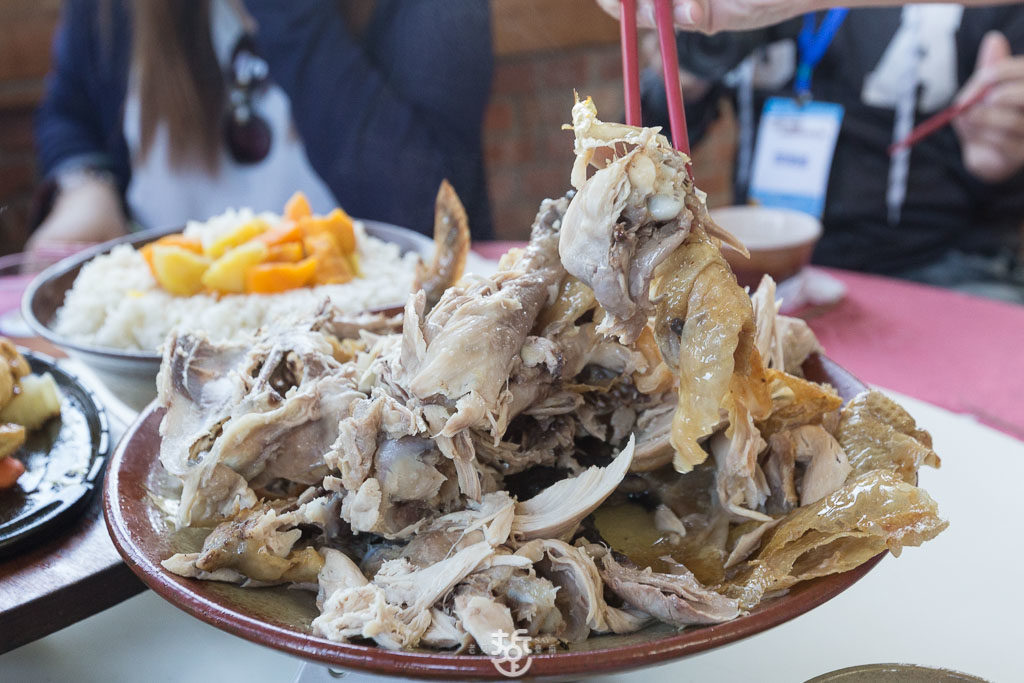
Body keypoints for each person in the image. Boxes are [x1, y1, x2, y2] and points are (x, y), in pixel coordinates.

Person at [601, 1, 1024, 302]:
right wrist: (682, 80)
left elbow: (1009, 197)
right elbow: (640, 151)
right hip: (762, 259)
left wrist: (1001, 157)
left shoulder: (992, 11)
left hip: (937, 262)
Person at [30, 0, 493, 251]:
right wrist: (84, 184)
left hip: (381, 347)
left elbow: (425, 210)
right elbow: (70, 110)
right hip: (156, 342)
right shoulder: (110, 12)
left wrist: (288, 14)